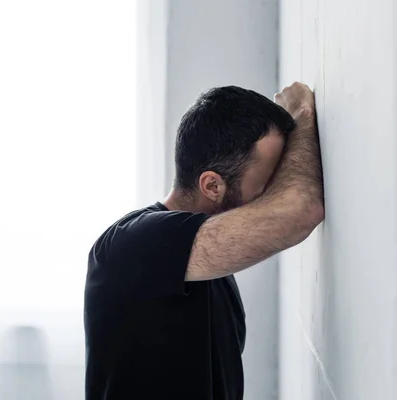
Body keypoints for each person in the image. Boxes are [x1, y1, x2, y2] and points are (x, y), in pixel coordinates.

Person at [84, 82, 324, 400]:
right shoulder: (135, 244)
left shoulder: (204, 261)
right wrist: (303, 115)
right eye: (267, 183)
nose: (274, 194)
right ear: (212, 185)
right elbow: (298, 210)